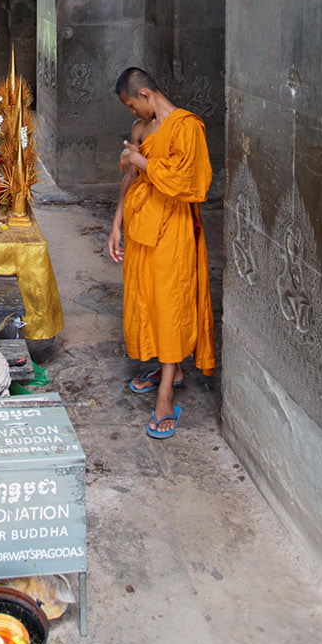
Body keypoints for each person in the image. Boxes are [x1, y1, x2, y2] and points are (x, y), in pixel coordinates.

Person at [108, 67, 215, 440]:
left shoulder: (186, 127)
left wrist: (142, 162)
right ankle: (171, 368)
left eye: (132, 105)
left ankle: (166, 397)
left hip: (173, 229)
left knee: (171, 305)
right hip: (140, 229)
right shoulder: (142, 130)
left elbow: (192, 183)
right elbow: (131, 179)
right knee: (148, 302)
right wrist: (117, 222)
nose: (132, 114)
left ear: (147, 94)